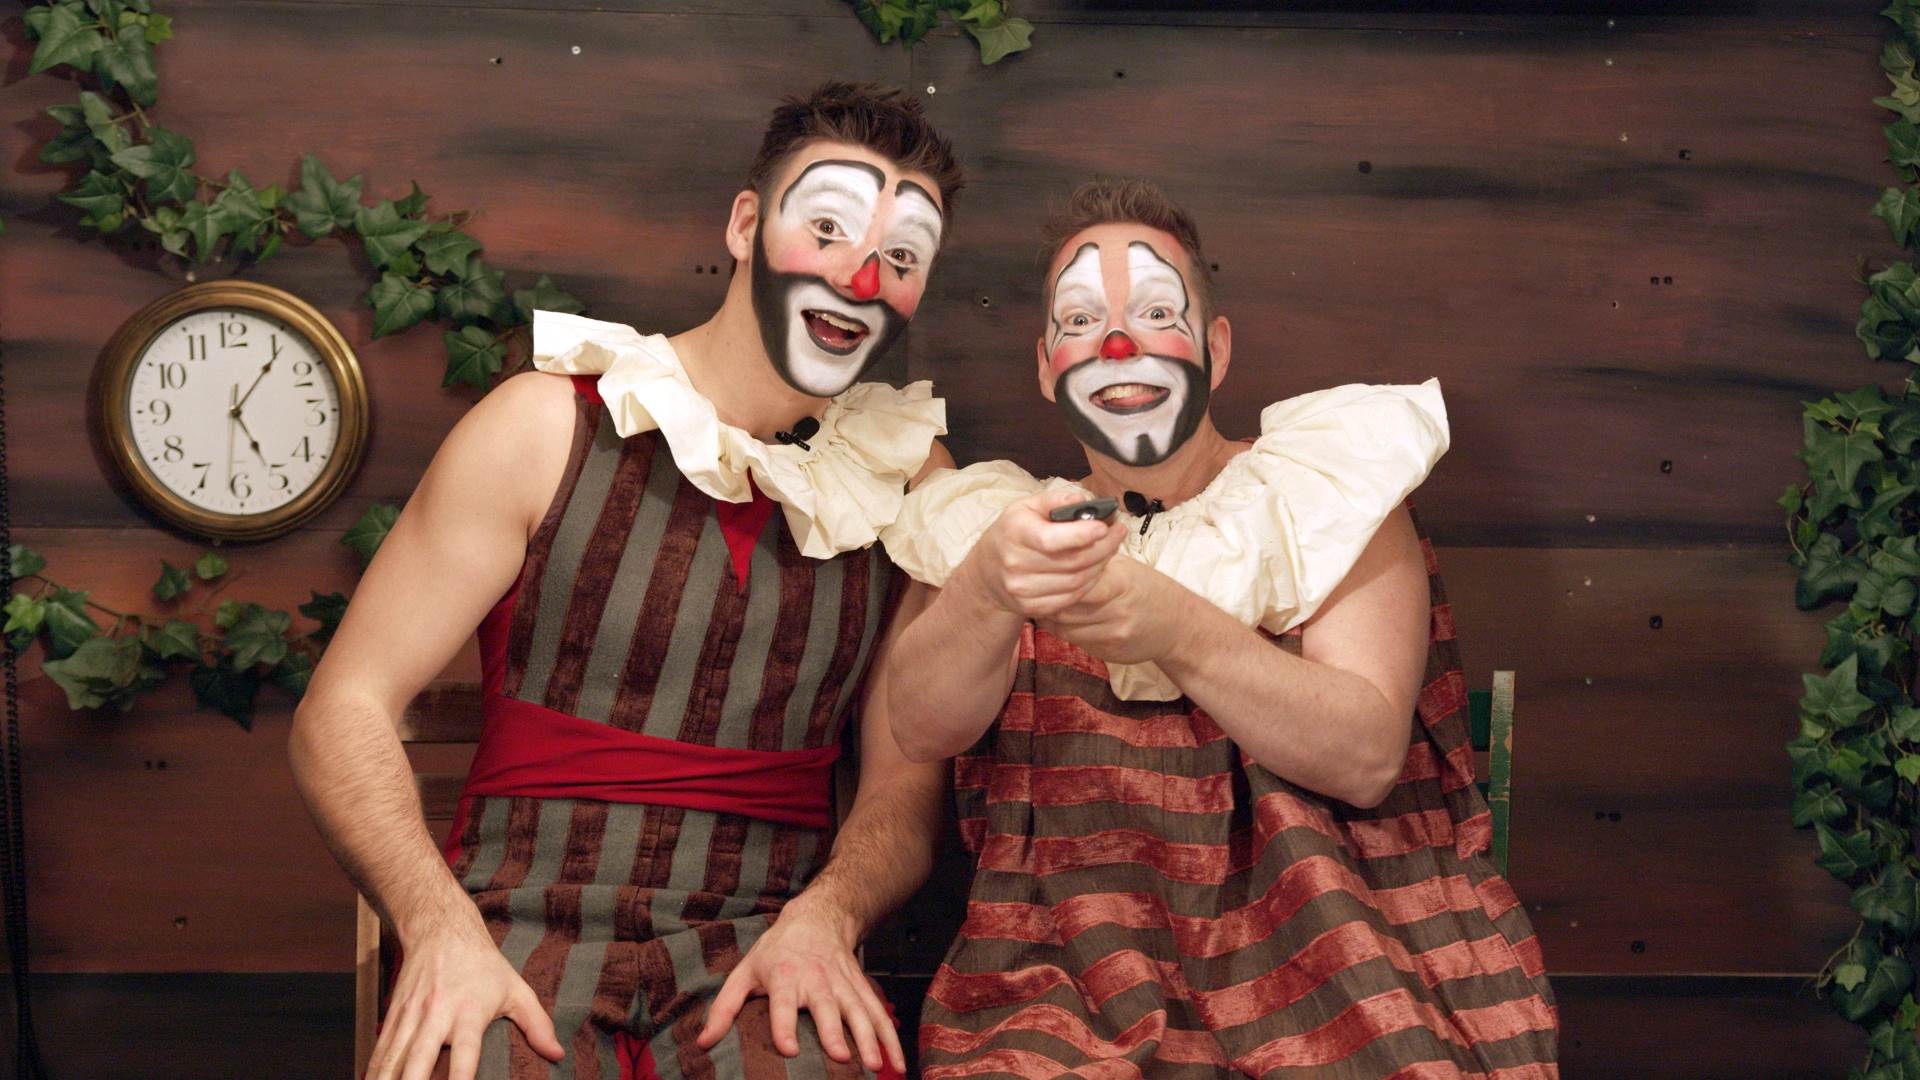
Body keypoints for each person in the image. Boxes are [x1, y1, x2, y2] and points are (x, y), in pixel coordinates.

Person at [289, 82, 961, 1080]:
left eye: (901, 258)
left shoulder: (910, 483)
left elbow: (905, 791)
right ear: (746, 225)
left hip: (765, 948)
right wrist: (436, 928)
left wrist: (831, 917)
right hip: (508, 931)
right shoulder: (542, 424)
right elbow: (342, 709)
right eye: (827, 229)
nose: (862, 277)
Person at [878, 177, 1560, 1078]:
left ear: (1217, 348)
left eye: (1157, 312)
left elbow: (1364, 756)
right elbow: (920, 726)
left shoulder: (1322, 492)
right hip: (1064, 979)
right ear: (1046, 365)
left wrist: (1178, 629)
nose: (1118, 343)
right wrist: (985, 591)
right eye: (1081, 321)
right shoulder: (1010, 526)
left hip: (1337, 954)